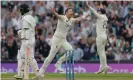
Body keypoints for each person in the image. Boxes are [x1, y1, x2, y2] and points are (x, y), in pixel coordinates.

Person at [36, 7, 89, 78]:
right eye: (70, 11)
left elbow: (78, 19)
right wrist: (54, 12)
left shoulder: (71, 20)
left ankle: (59, 63)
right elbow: (57, 15)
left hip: (63, 40)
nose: (72, 12)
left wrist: (85, 16)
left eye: (72, 11)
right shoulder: (62, 18)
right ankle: (41, 71)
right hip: (56, 39)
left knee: (71, 51)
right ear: (66, 12)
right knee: (51, 57)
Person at [13, 3, 39, 79]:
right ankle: (38, 74)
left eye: (20, 10)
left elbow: (26, 30)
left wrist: (25, 39)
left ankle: (21, 74)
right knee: (29, 58)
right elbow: (33, 30)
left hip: (26, 41)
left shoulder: (25, 18)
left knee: (22, 57)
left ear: (23, 10)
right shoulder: (31, 18)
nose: (20, 11)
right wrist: (20, 32)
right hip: (31, 39)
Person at [86, 2, 110, 74]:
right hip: (104, 36)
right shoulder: (105, 17)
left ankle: (104, 66)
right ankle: (103, 69)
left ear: (101, 12)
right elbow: (102, 11)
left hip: (100, 36)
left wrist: (88, 6)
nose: (98, 12)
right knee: (102, 52)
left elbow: (93, 11)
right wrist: (101, 6)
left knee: (100, 52)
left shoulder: (101, 17)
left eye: (99, 11)